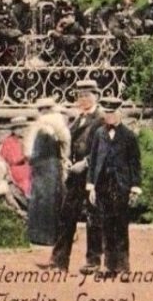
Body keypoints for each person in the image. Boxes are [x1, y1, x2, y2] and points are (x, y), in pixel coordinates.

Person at [41, 80, 104, 273]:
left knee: (94, 218)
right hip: (75, 176)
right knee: (66, 216)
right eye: (79, 95)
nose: (82, 99)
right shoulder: (77, 119)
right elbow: (67, 143)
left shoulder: (101, 118)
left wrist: (84, 163)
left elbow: (103, 149)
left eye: (87, 95)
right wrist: (67, 160)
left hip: (93, 175)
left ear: (96, 96)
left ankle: (93, 262)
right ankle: (59, 262)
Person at [86, 96, 142, 274]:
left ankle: (124, 267)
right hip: (103, 185)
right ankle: (109, 266)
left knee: (121, 226)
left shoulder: (128, 136)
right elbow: (93, 160)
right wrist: (91, 185)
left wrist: (134, 187)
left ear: (120, 113)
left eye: (112, 113)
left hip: (120, 186)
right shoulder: (99, 134)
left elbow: (135, 163)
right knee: (106, 225)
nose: (109, 116)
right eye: (106, 113)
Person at [25, 98, 70, 246]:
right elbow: (66, 141)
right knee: (45, 198)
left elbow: (28, 152)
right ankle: (44, 235)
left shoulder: (45, 124)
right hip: (45, 165)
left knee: (44, 198)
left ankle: (43, 235)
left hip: (45, 164)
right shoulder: (52, 123)